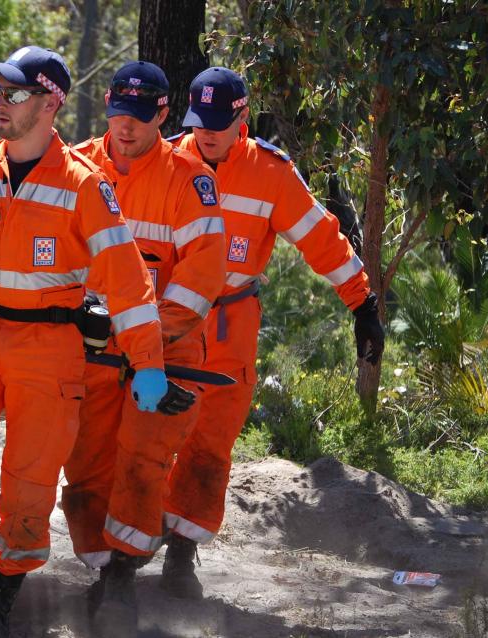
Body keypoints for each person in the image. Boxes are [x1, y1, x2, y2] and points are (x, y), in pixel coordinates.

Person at [0, 46, 169, 637]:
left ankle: (3, 595)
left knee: (27, 489)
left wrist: (149, 363)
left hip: (50, 346)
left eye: (16, 93)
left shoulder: (86, 187)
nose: (1, 103)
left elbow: (129, 284)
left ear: (51, 102)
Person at [160, 67, 385, 599]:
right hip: (164, 320)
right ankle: (123, 554)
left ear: (242, 116)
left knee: (211, 441)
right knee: (146, 429)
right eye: (198, 121)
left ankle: (181, 555)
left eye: (218, 122)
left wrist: (363, 302)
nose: (206, 132)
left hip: (232, 319)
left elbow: (320, 237)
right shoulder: (164, 159)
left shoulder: (271, 172)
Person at [62, 61, 226, 632]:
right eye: (117, 114)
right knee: (86, 462)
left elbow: (199, 280)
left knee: (141, 459)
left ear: (163, 114)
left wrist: (142, 340)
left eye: (138, 117)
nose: (125, 128)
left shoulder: (188, 180)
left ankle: (122, 579)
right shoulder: (76, 166)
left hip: (165, 351)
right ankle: (104, 562)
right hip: (89, 348)